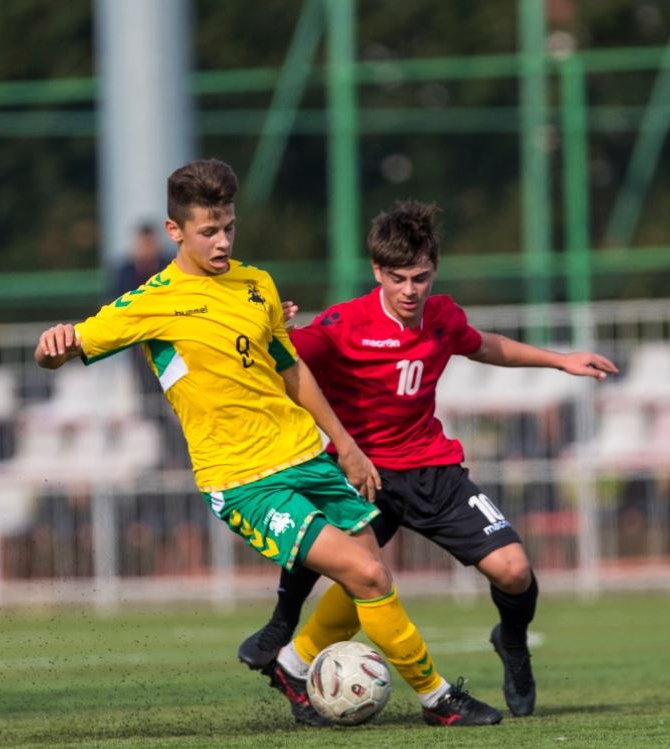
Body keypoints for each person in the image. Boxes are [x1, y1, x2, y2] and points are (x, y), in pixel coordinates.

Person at [36, 159, 502, 728]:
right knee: (369, 576)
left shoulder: (256, 284)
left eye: (229, 226)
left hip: (305, 454)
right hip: (242, 480)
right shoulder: (150, 302)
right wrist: (52, 344)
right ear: (175, 232)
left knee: (369, 576)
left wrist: (346, 445)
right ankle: (436, 699)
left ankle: (291, 661)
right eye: (209, 231)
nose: (223, 240)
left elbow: (293, 371)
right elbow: (65, 348)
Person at [237, 200, 618, 719]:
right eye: (398, 278)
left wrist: (560, 360)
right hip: (363, 474)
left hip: (433, 470)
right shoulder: (344, 323)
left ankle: (511, 642)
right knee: (359, 576)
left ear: (433, 270)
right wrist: (268, 331)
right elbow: (286, 361)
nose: (410, 290)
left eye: (420, 277)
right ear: (377, 272)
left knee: (513, 570)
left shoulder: (441, 317)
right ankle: (289, 640)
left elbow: (485, 345)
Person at [110, 220, 171, 296]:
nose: (147, 250)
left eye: (149, 244)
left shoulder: (167, 268)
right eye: (144, 244)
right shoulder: (125, 272)